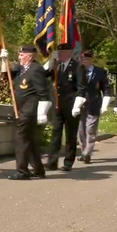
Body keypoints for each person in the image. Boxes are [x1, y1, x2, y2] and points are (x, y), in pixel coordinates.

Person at [0, 46, 50, 180]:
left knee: (20, 139)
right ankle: (39, 170)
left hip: (29, 110)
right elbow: (7, 76)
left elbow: (43, 93)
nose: (19, 57)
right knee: (30, 140)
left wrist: (42, 113)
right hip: (21, 109)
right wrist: (4, 61)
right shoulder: (21, 68)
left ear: (30, 56)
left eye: (22, 55)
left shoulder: (36, 70)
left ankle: (22, 171)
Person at [43, 42, 87, 171]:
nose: (60, 55)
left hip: (71, 106)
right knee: (55, 134)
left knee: (70, 136)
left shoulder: (78, 67)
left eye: (62, 52)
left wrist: (77, 105)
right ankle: (52, 162)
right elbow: (43, 75)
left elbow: (81, 87)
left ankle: (68, 162)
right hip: (57, 105)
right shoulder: (56, 66)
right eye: (58, 53)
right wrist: (50, 62)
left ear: (69, 53)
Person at [77, 50, 113, 164]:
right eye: (83, 60)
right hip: (79, 105)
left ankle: (87, 153)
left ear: (91, 60)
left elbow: (106, 88)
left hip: (94, 103)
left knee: (90, 130)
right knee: (81, 131)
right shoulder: (78, 71)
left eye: (87, 60)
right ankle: (84, 151)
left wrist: (105, 104)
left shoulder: (100, 72)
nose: (85, 62)